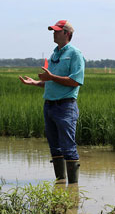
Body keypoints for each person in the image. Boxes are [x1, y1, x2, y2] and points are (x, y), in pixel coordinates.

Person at [19, 20, 85, 184]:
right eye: (53, 31)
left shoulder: (75, 54)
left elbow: (75, 81)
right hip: (49, 106)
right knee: (55, 147)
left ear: (67, 34)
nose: (53, 33)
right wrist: (35, 82)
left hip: (65, 106)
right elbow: (52, 82)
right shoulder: (54, 54)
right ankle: (60, 183)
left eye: (57, 31)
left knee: (68, 148)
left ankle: (73, 188)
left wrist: (51, 77)